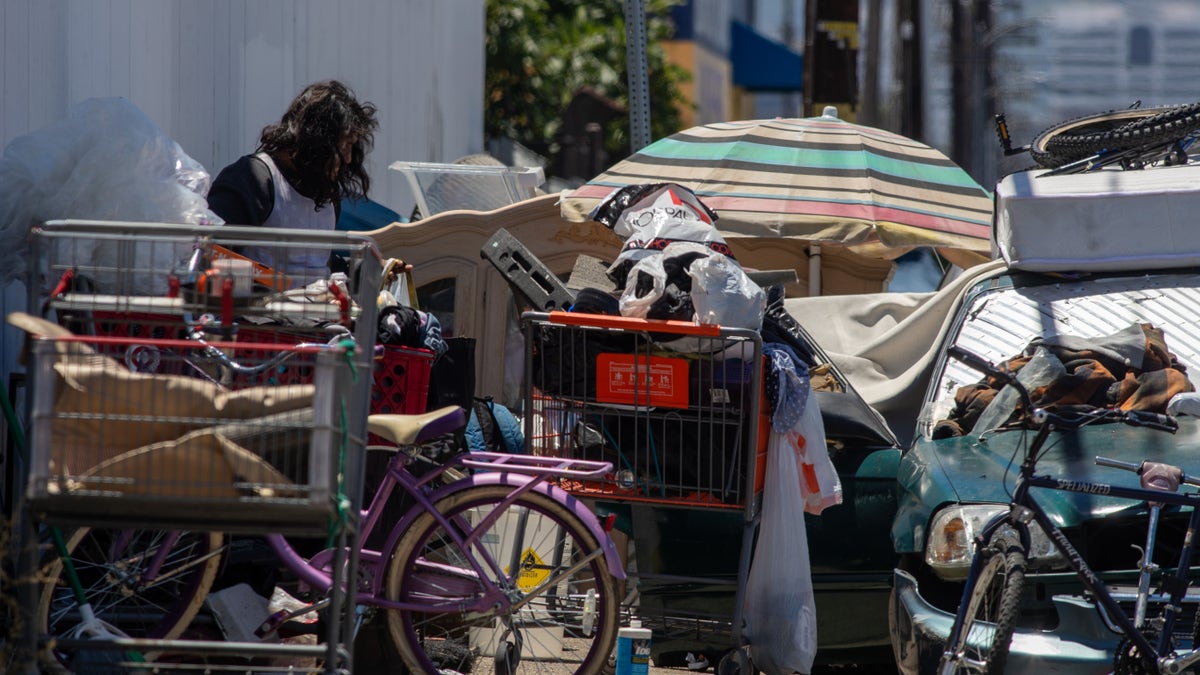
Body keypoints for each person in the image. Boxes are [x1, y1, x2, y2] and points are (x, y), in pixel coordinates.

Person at [207, 80, 379, 278]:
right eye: (345, 145)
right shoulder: (253, 179)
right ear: (319, 141)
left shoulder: (326, 193)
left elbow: (317, 260)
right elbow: (212, 255)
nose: (348, 158)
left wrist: (364, 270)